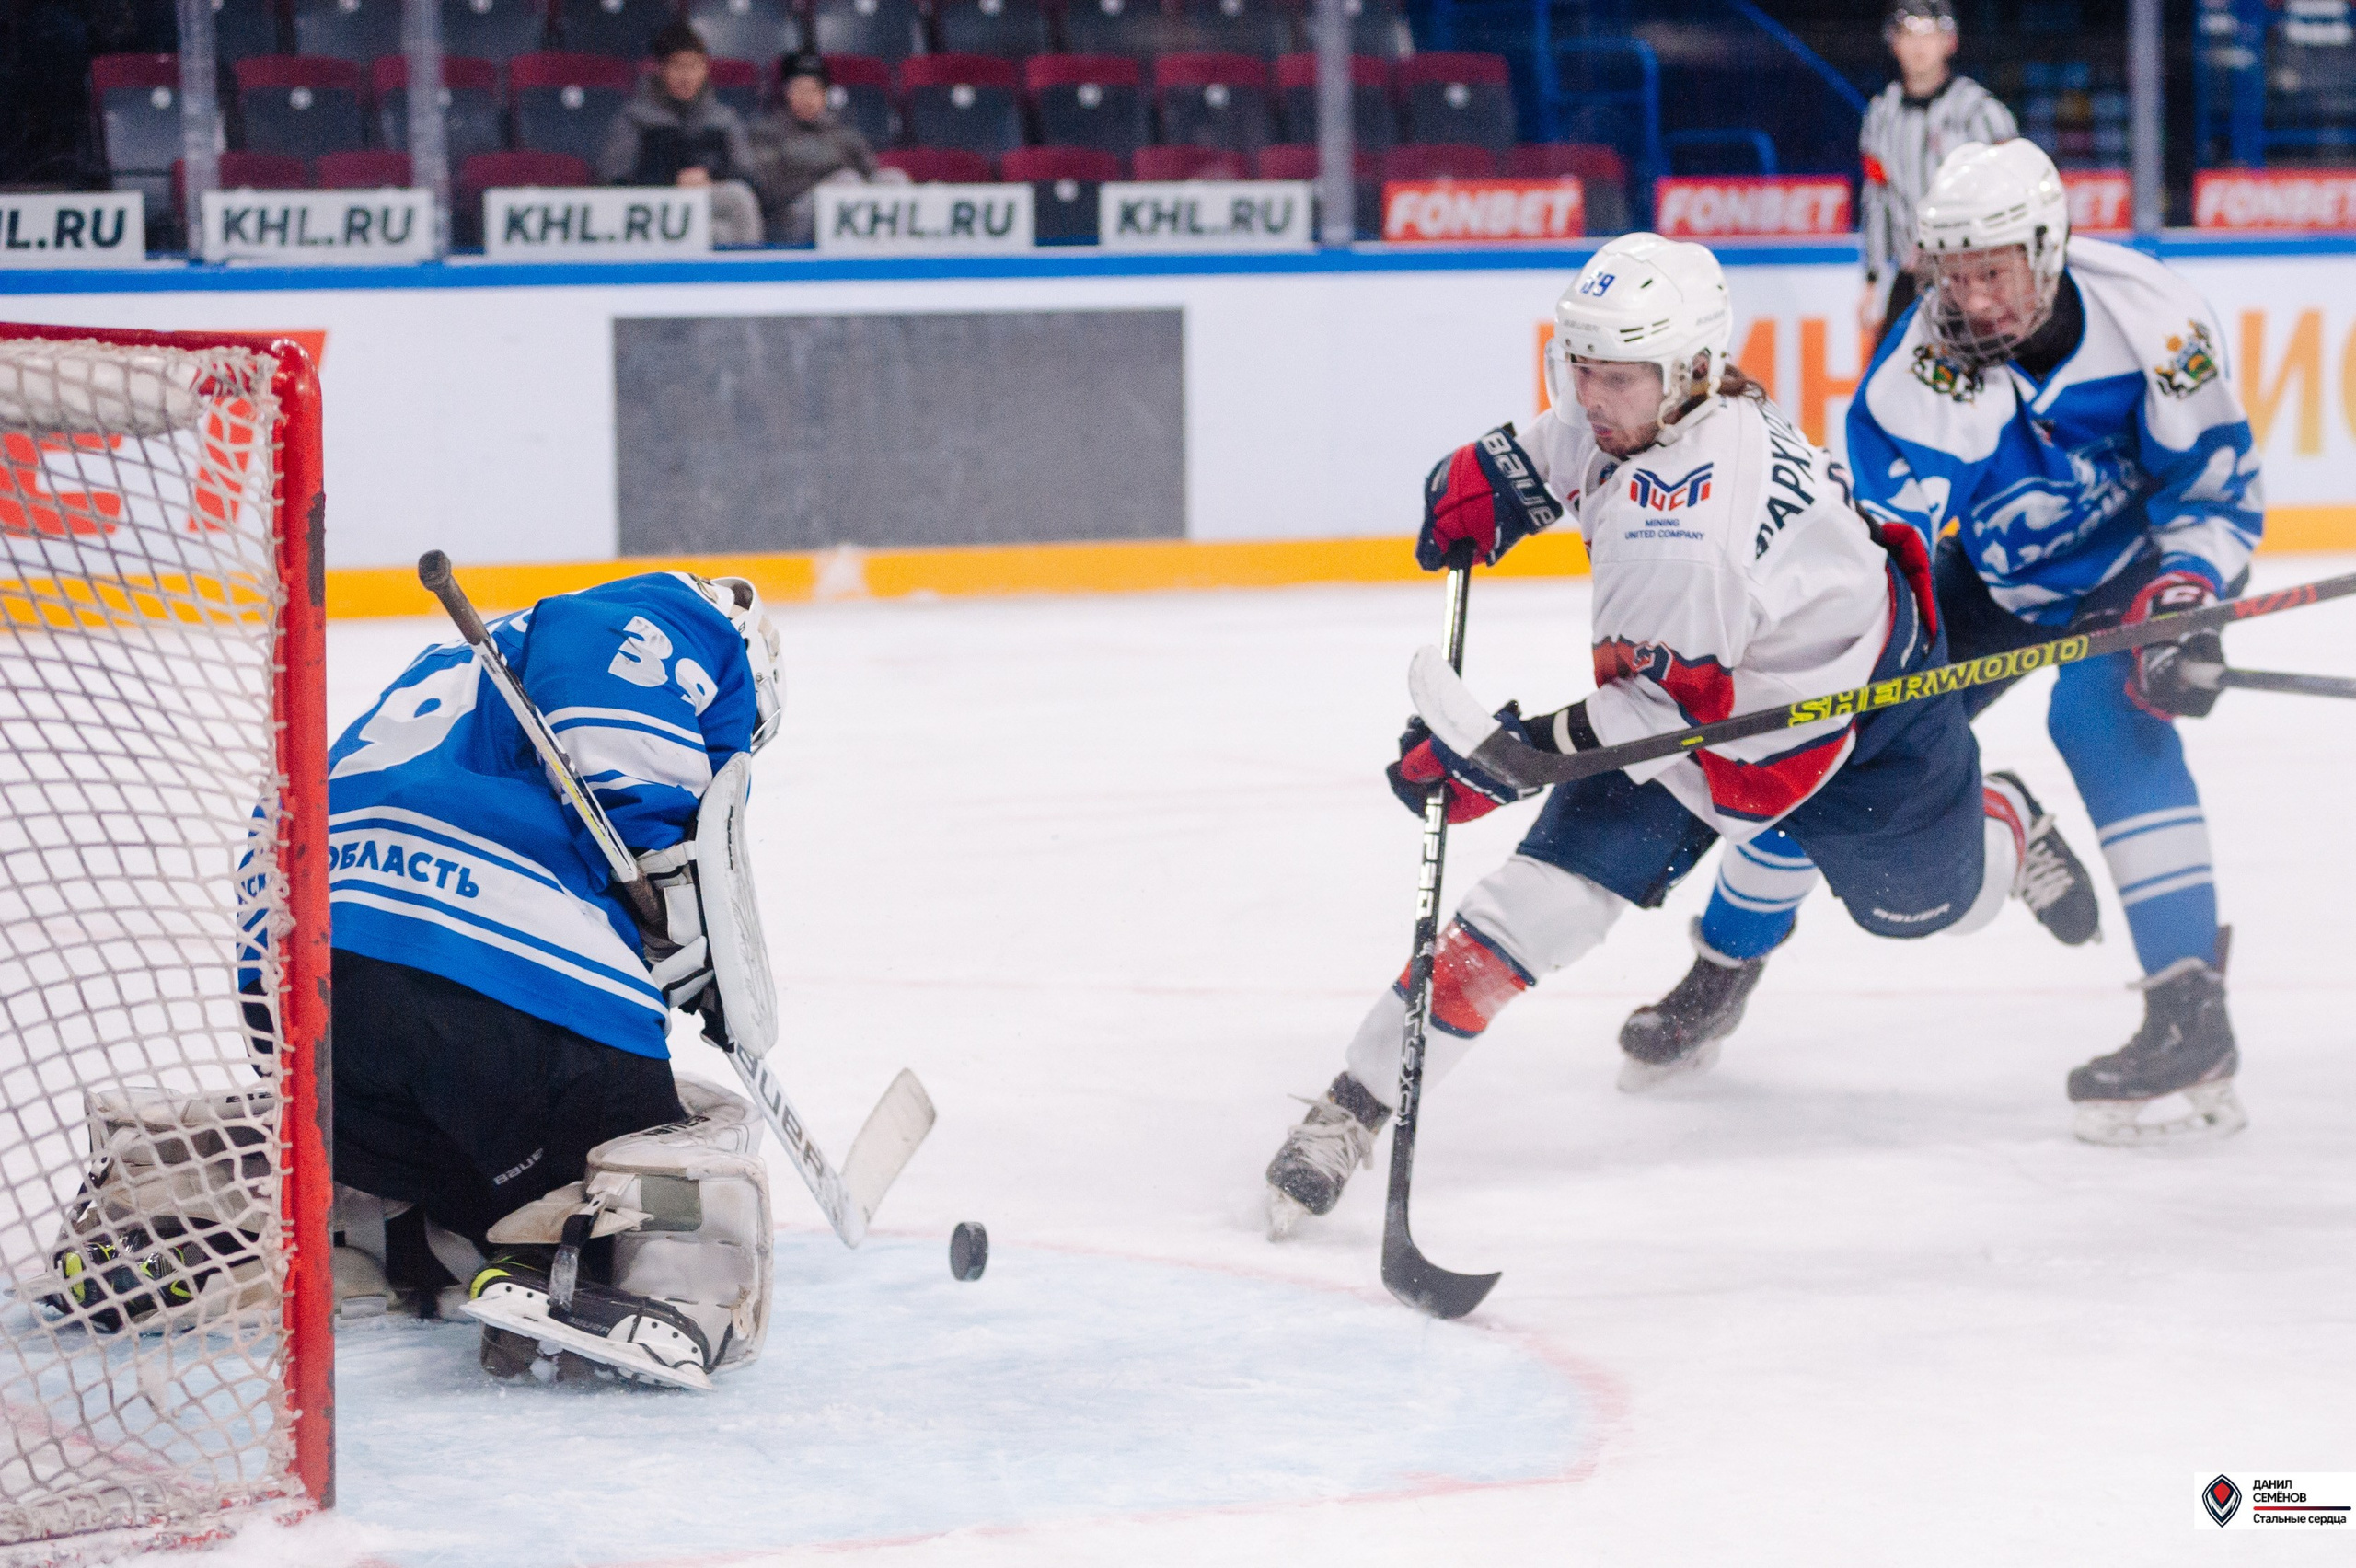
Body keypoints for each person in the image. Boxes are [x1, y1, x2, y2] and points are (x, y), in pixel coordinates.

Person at [1261, 233, 2099, 1238]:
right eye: (1581, 369)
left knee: (1934, 910)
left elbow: (1656, 720)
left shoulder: (1687, 529)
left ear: (1688, 373)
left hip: (1864, 724)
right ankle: (1351, 1108)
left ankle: (2004, 820)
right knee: (1536, 909)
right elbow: (1562, 450)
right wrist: (1492, 476)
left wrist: (1500, 758)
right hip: (1713, 704)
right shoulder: (1647, 407)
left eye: (1615, 377)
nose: (1592, 396)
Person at [1626, 140, 2264, 1147]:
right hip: (1997, 583)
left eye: (1992, 271)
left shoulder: (2154, 317)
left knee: (2101, 711)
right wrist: (1849, 665)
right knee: (1831, 745)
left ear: (2047, 247)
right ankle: (1723, 966)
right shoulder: (1914, 378)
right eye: (1951, 273)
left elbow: (2215, 493)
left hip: (2135, 574)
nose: (1971, 299)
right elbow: (1887, 549)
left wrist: (2185, 602)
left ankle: (2191, 1012)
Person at [325, 571, 788, 1381]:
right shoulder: (685, 620)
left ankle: (350, 1238)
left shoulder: (459, 676)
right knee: (664, 1150)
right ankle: (601, 1278)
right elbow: (604, 714)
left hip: (310, 993)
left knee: (470, 1149)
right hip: (482, 972)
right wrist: (668, 885)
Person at [1858, 0, 2015, 350]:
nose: (1918, 46)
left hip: (1976, 277)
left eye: (1929, 34)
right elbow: (1877, 199)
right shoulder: (1881, 114)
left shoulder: (1980, 111)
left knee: (1985, 376)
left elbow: (2015, 189)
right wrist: (1871, 280)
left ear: (1950, 42)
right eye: (1908, 34)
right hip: (1912, 278)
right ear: (1894, 44)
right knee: (1886, 383)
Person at [597, 19, 765, 246]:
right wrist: (670, 181)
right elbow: (613, 179)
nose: (686, 77)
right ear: (661, 69)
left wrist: (711, 177)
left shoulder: (723, 118)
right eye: (678, 67)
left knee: (737, 201)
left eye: (694, 66)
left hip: (711, 207)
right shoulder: (635, 117)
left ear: (705, 69)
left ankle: (747, 276)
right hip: (653, 213)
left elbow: (748, 174)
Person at [746, 51, 882, 246]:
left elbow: (870, 173)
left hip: (849, 214)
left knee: (892, 179)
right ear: (786, 92)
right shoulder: (766, 132)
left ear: (824, 93)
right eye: (799, 90)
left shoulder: (843, 132)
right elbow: (769, 191)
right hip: (788, 218)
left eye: (813, 90)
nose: (807, 97)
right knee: (845, 182)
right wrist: (825, 182)